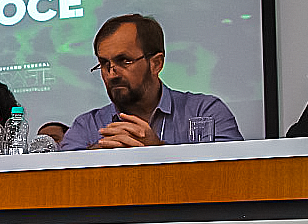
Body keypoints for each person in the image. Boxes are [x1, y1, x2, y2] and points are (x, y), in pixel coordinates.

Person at [59, 14, 243, 150]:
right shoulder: (87, 126)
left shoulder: (205, 111)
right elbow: (61, 183)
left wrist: (157, 151)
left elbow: (234, 174)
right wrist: (95, 157)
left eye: (124, 61)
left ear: (156, 63)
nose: (112, 73)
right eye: (104, 63)